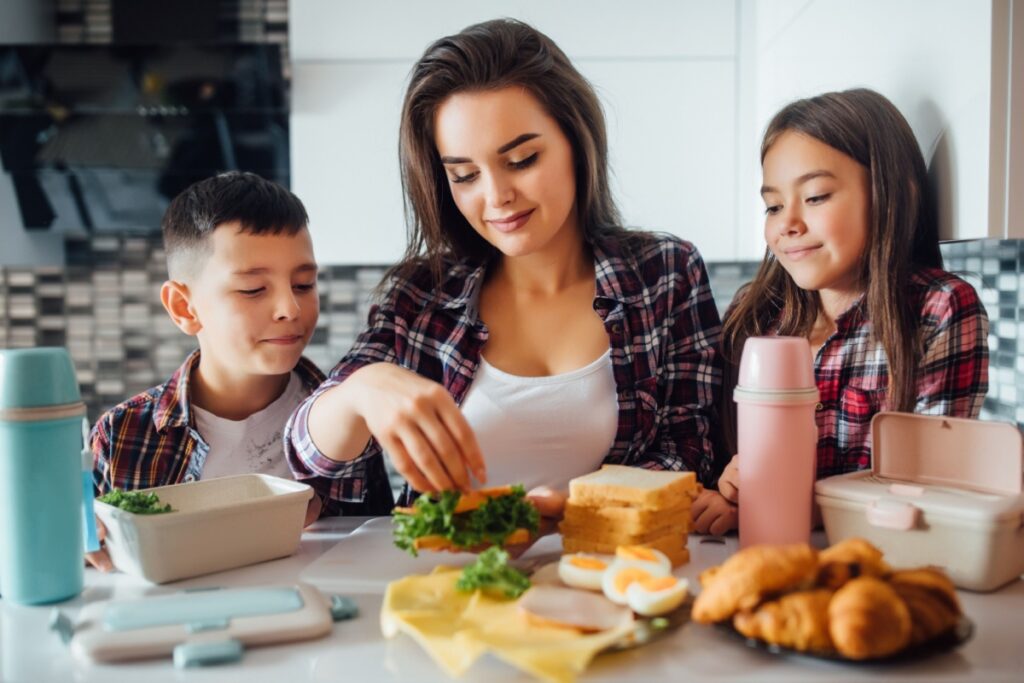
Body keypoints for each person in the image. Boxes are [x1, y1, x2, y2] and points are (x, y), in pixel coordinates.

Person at [285, 19, 724, 525]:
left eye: (521, 159)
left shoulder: (664, 273)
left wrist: (576, 509)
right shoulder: (420, 296)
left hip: (607, 576)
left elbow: (693, 449)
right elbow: (307, 459)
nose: (495, 197)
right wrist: (362, 390)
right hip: (448, 584)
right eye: (464, 175)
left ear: (577, 143)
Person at [691, 88, 989, 535]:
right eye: (773, 205)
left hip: (882, 570)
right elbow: (715, 455)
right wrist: (726, 491)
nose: (787, 223)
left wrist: (791, 503)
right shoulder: (755, 318)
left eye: (815, 197)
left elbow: (928, 489)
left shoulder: (938, 309)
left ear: (889, 194)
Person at [88, 171, 392, 571]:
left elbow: (381, 553)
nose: (290, 308)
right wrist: (80, 549)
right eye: (252, 290)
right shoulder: (122, 436)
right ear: (184, 307)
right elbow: (86, 568)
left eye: (303, 284)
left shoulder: (350, 421)